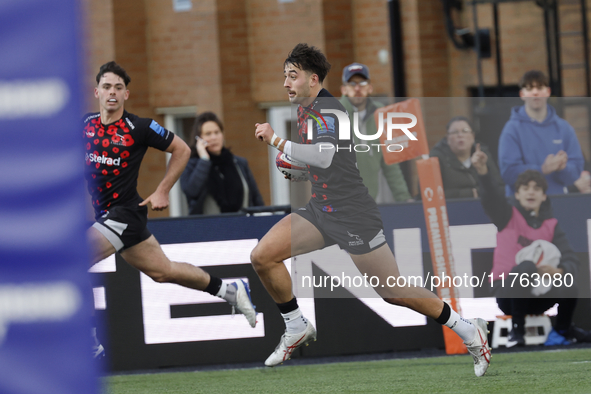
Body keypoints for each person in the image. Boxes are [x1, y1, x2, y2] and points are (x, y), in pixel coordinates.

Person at [251, 43, 491, 376]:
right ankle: (295, 325)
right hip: (322, 209)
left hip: (353, 214)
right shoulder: (306, 107)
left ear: (313, 78)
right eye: (284, 76)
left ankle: (467, 328)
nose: (286, 83)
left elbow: (323, 155)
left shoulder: (328, 109)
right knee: (263, 255)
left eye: (293, 76)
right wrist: (300, 168)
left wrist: (278, 142)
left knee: (393, 291)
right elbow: (326, 163)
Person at [84, 62, 257, 357]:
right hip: (111, 218)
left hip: (124, 213)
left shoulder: (139, 127)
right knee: (164, 272)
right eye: (107, 87)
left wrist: (163, 189)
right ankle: (230, 291)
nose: (112, 93)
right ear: (97, 91)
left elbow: (183, 149)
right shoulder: (85, 124)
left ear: (126, 94)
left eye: (118, 88)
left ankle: (87, 342)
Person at [472, 146, 591, 347]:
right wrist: (483, 172)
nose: (531, 192)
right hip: (507, 295)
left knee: (568, 281)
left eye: (537, 188)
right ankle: (517, 332)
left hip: (538, 295)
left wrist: (558, 270)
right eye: (526, 188)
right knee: (526, 267)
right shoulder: (506, 215)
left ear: (544, 196)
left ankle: (562, 332)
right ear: (517, 194)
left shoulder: (551, 225)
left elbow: (571, 259)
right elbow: (491, 197)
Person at [498, 70, 585, 196]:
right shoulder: (511, 129)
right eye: (529, 88)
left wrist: (562, 168)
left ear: (548, 92)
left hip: (557, 204)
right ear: (522, 94)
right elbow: (508, 174)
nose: (535, 92)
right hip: (521, 207)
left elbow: (576, 171)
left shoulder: (564, 128)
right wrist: (542, 169)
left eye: (540, 87)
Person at [339, 62, 411, 203]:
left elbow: (391, 164)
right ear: (344, 89)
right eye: (352, 84)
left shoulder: (381, 114)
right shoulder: (333, 115)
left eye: (363, 83)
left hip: (369, 202)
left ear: (370, 88)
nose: (358, 88)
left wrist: (404, 198)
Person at [180, 112, 264, 215]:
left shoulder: (239, 163)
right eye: (208, 134)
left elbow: (256, 198)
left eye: (217, 132)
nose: (214, 137)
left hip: (243, 226)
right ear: (199, 139)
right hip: (209, 228)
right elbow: (192, 191)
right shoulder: (191, 165)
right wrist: (204, 160)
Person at [430, 116, 504, 199]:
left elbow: (499, 189)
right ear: (447, 138)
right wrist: (470, 193)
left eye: (465, 131)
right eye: (455, 132)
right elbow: (431, 194)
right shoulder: (436, 158)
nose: (460, 135)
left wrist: (483, 170)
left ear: (473, 136)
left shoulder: (481, 155)